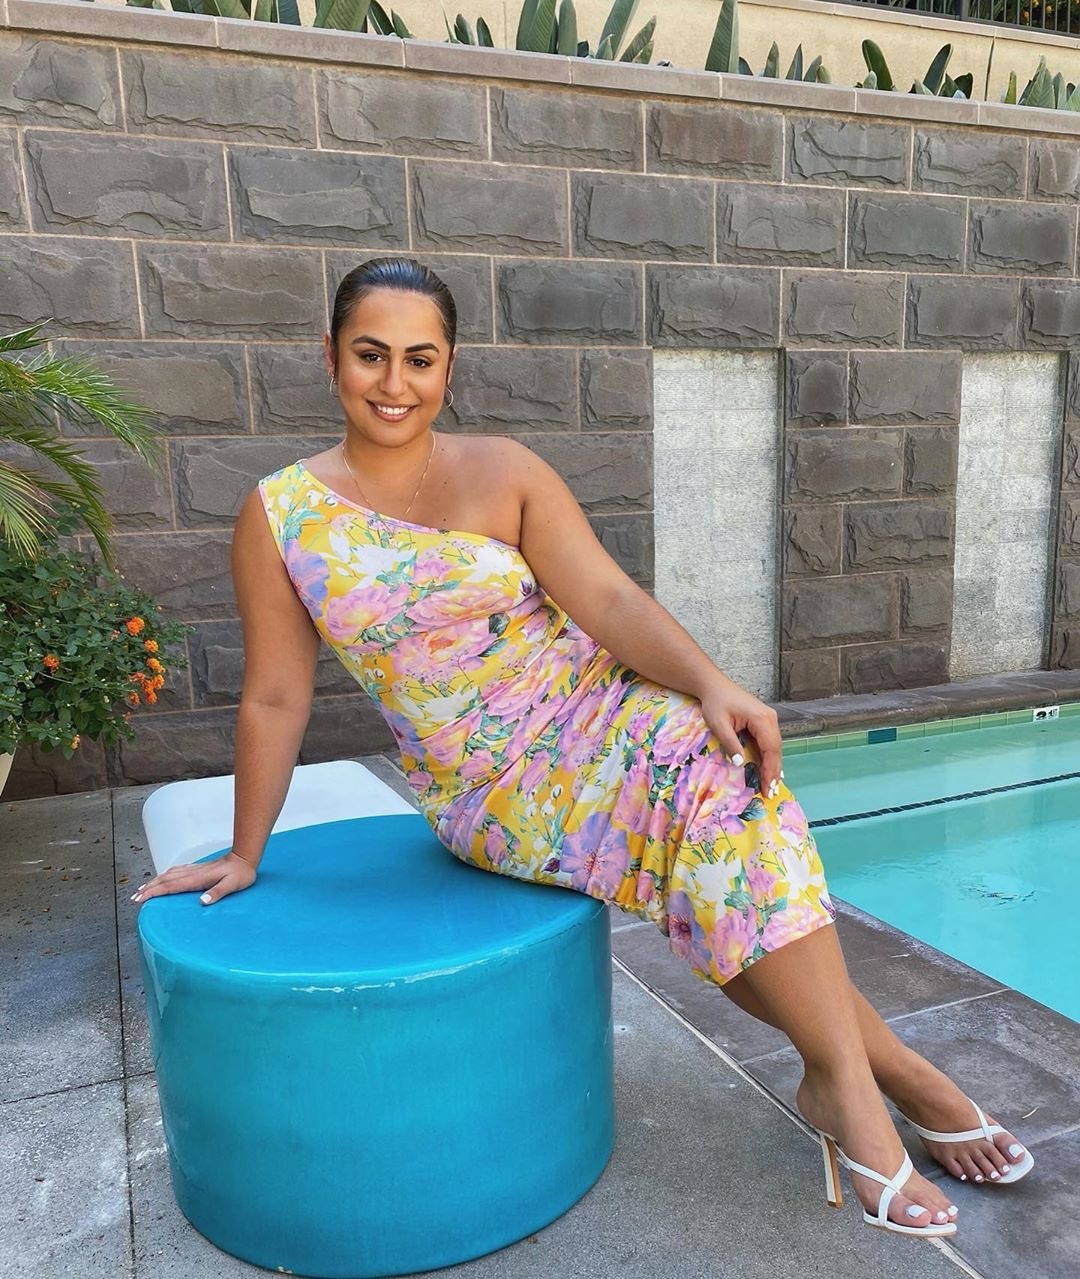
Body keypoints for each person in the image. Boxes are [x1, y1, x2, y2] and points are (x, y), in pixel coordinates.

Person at [133, 257, 1033, 1238]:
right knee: (714, 825)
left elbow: (605, 598)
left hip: (598, 708)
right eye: (371, 355)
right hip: (494, 785)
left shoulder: (504, 470)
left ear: (449, 366)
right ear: (331, 357)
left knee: (722, 774)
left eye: (420, 359)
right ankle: (886, 1084)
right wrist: (246, 850)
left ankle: (852, 1085)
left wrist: (712, 683)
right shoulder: (281, 517)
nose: (395, 383)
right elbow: (274, 695)